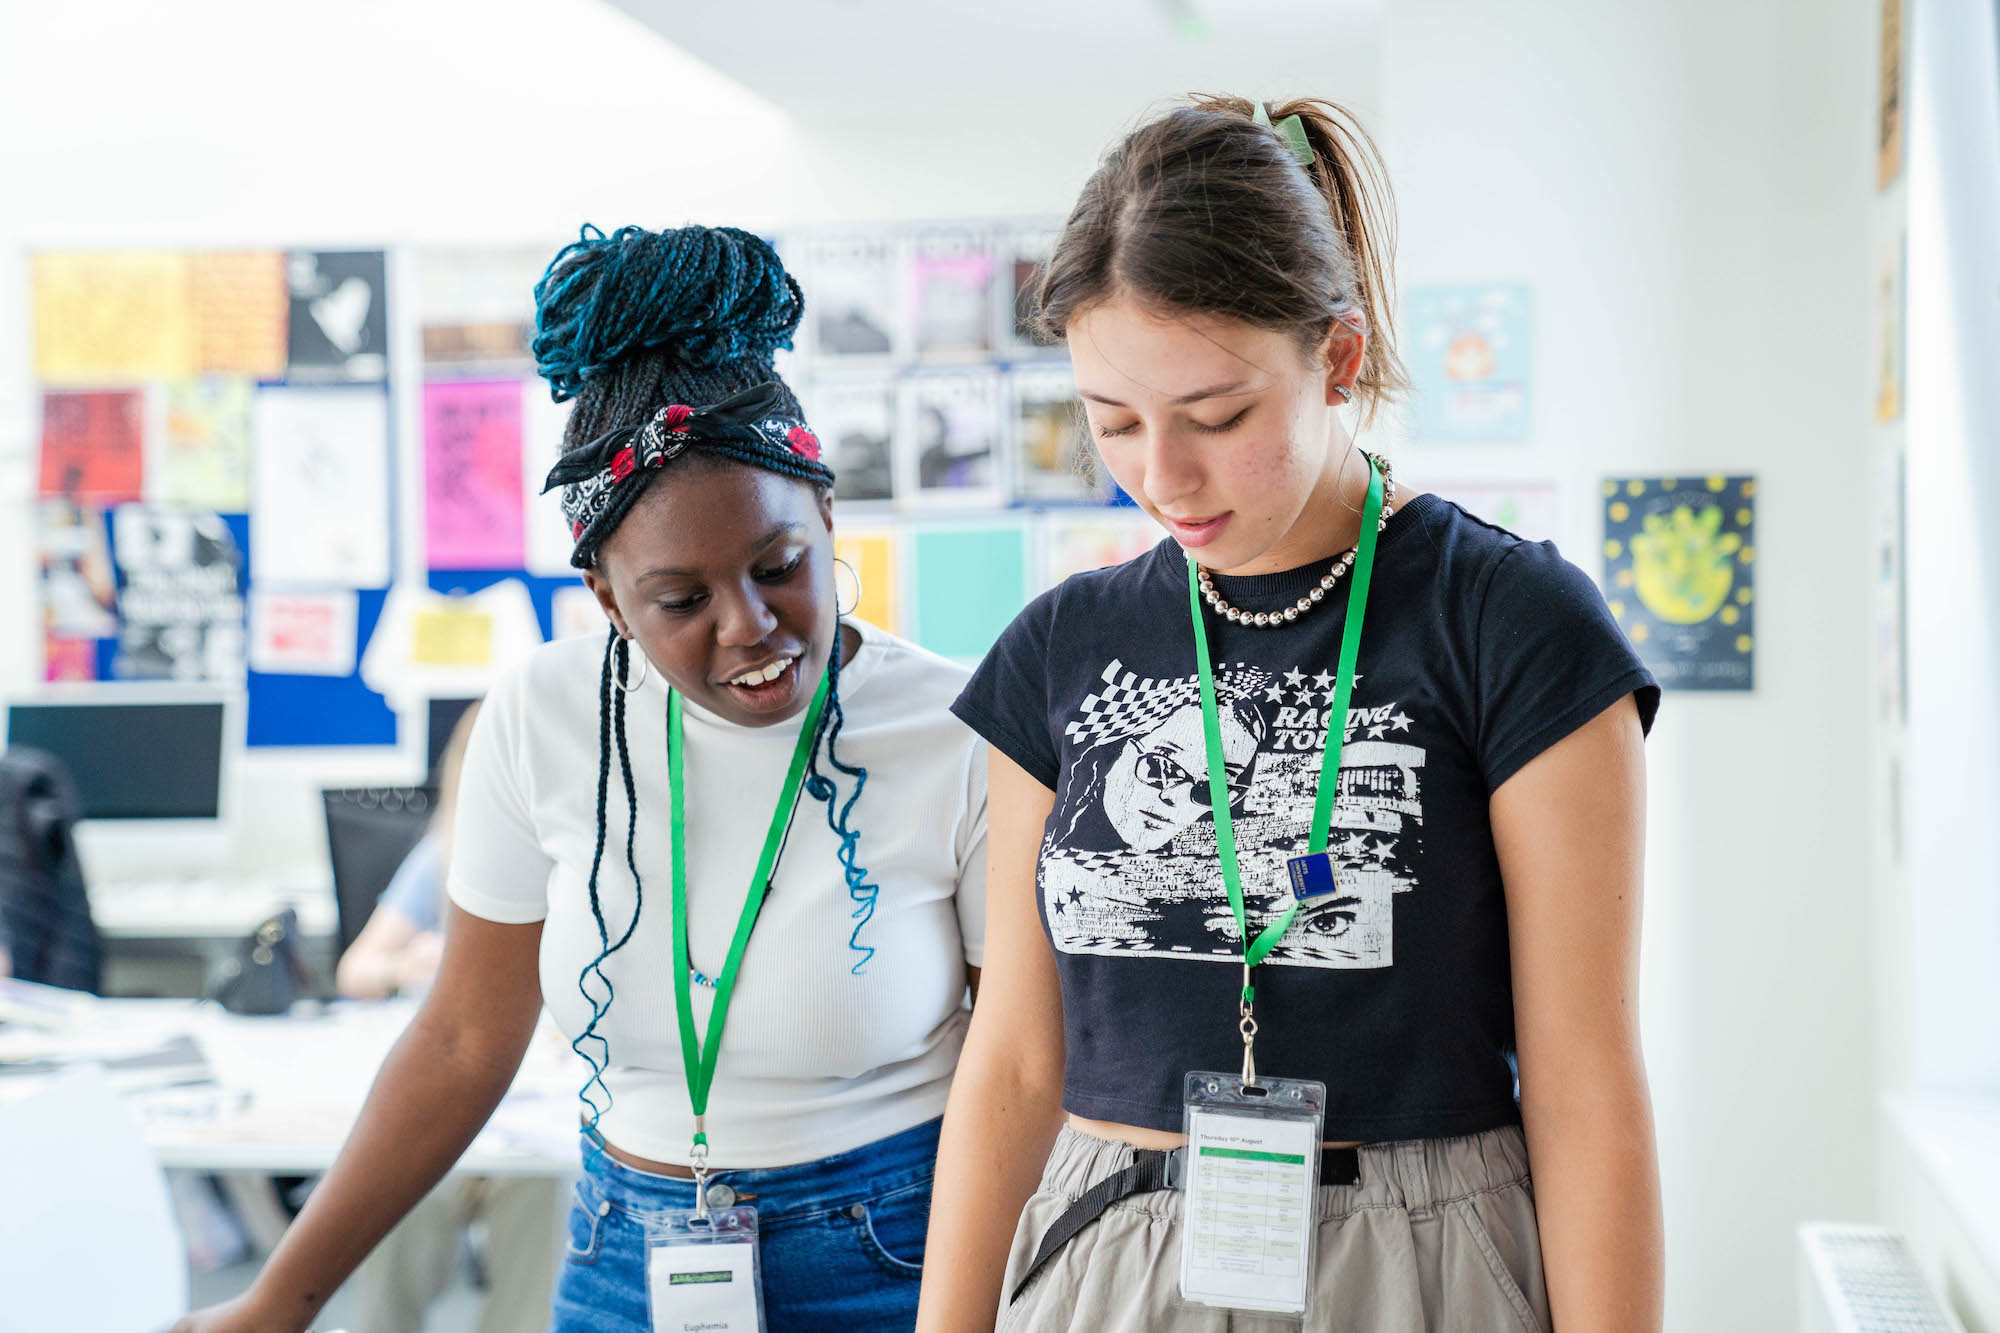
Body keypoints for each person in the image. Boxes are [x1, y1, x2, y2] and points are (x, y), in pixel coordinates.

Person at [917, 96, 1665, 1331]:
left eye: (1215, 417)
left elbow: (1584, 1082)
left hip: (1414, 1257)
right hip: (1107, 1251)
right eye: (1112, 422)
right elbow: (1010, 1063)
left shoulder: (1509, 620)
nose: (1162, 476)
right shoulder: (1062, 644)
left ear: (1338, 356)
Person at [175, 223, 987, 1333]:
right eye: (680, 600)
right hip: (625, 1256)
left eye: (780, 566)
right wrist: (278, 1301)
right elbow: (463, 1040)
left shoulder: (957, 724)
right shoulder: (539, 716)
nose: (749, 625)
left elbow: (1020, 1066)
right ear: (608, 598)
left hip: (895, 1258)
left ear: (827, 515)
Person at [334, 702, 562, 1333]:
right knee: (394, 1186)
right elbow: (357, 971)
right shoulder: (442, 857)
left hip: (537, 1107)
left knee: (544, 1193)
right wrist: (409, 963)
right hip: (445, 1097)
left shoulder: (580, 862)